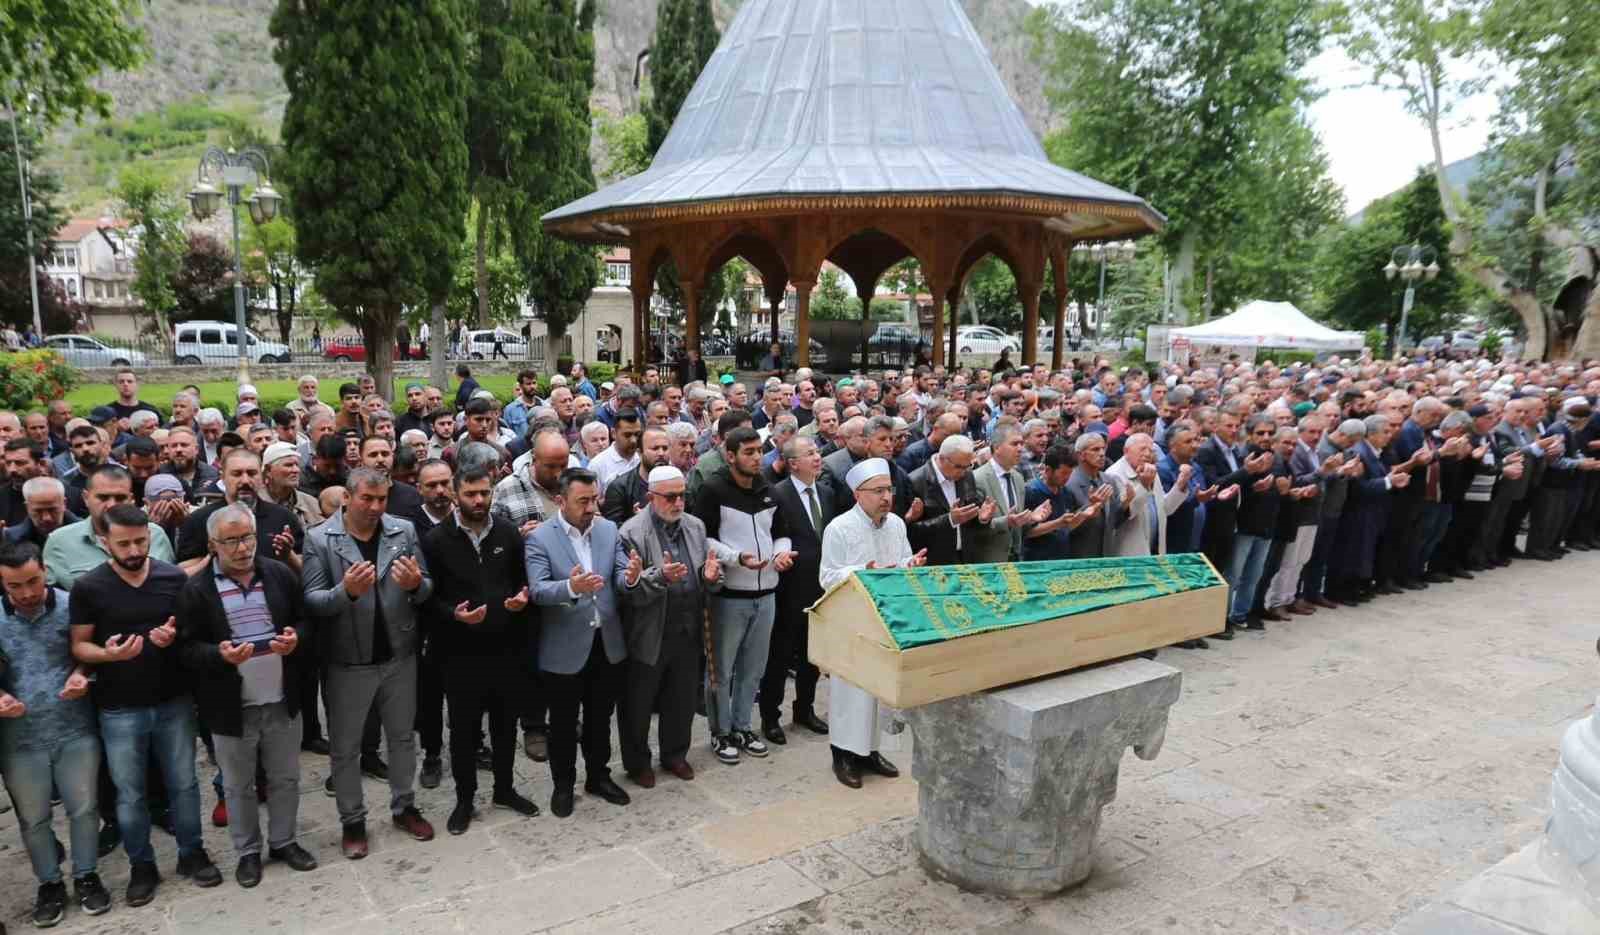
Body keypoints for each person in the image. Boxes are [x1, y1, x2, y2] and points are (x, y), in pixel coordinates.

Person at [69, 505, 223, 903]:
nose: (134, 550)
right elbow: (80, 644)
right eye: (124, 543)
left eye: (141, 541)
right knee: (130, 793)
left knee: (185, 784)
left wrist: (174, 639)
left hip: (173, 699)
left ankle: (192, 852)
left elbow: (190, 631)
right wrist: (108, 655)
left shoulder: (172, 578)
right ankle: (142, 864)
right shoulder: (89, 587)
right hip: (119, 707)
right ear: (105, 543)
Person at [173, 504, 318, 887]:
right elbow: (185, 649)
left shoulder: (279, 574)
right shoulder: (197, 589)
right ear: (213, 545)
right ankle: (247, 852)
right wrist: (218, 655)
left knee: (286, 777)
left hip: (280, 698)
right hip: (231, 706)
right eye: (232, 540)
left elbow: (306, 621)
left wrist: (295, 639)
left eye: (248, 537)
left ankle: (284, 841)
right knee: (238, 786)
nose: (242, 548)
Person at [301, 467, 436, 859]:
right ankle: (352, 820)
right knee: (345, 747)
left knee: (401, 738)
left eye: (382, 500)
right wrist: (347, 592)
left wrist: (415, 585)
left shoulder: (403, 531)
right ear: (347, 496)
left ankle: (404, 805)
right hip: (348, 661)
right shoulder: (319, 539)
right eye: (367, 499)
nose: (376, 507)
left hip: (398, 654)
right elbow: (313, 601)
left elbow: (425, 587)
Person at [418, 465, 540, 835]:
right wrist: (452, 615)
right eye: (471, 493)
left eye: (485, 493)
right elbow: (427, 598)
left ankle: (504, 789)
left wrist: (523, 598)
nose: (479, 500)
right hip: (459, 653)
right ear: (456, 494)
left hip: (505, 647)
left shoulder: (506, 532)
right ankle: (465, 799)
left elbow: (522, 580)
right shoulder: (437, 539)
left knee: (505, 726)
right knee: (465, 732)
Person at [0, 542, 111, 925]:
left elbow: (91, 652)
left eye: (33, 581)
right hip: (18, 738)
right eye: (15, 586)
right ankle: (49, 883)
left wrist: (83, 674)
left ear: (45, 571)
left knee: (84, 809)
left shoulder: (70, 606)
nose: (27, 593)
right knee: (33, 819)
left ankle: (86, 875)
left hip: (75, 727)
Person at [524, 468, 632, 818]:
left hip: (605, 641)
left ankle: (598, 776)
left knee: (601, 718)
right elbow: (538, 590)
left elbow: (618, 574)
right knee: (564, 723)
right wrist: (571, 588)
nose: (591, 507)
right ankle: (563, 786)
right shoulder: (540, 538)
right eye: (582, 501)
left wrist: (629, 577)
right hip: (565, 647)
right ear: (560, 501)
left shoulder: (608, 529)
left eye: (594, 499)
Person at [818, 458, 927, 788]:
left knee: (879, 692)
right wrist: (864, 572)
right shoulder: (839, 527)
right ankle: (844, 755)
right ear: (857, 494)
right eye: (878, 491)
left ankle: (870, 752)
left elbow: (900, 558)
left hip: (886, 617)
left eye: (889, 490)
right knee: (851, 692)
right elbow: (827, 576)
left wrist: (912, 564)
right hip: (851, 620)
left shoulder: (895, 523)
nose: (886, 497)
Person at [617, 466, 728, 787]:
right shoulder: (631, 533)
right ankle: (638, 764)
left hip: (689, 628)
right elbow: (629, 591)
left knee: (680, 700)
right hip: (649, 632)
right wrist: (661, 577)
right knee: (638, 704)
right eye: (670, 497)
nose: (678, 503)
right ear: (651, 498)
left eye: (683, 495)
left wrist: (711, 578)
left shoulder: (694, 526)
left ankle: (675, 755)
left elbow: (710, 574)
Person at [693, 427, 797, 765]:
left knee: (754, 669)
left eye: (758, 451)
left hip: (767, 592)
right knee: (721, 670)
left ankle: (742, 726)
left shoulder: (768, 488)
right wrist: (736, 558)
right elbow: (702, 538)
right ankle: (720, 731)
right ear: (730, 454)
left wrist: (782, 553)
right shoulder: (712, 490)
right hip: (729, 596)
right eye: (749, 452)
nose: (756, 458)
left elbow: (782, 532)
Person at [759, 437, 832, 744]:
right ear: (792, 463)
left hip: (820, 589)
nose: (817, 457)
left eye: (817, 452)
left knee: (811, 657)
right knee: (779, 657)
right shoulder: (776, 495)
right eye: (809, 453)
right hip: (787, 590)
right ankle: (770, 717)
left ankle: (805, 708)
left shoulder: (827, 493)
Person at [44, 466, 176, 588]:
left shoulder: (155, 534)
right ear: (86, 498)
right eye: (103, 498)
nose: (112, 505)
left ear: (131, 499)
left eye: (120, 498)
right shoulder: (59, 542)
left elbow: (169, 584)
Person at [906, 434, 994, 566]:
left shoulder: (967, 475)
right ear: (942, 459)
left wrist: (982, 518)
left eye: (967, 466)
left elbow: (970, 522)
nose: (963, 472)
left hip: (965, 559)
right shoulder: (915, 481)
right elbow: (910, 532)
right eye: (959, 467)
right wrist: (949, 520)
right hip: (933, 563)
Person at [5, 476, 77, 549]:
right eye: (38, 511)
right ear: (27, 507)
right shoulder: (10, 540)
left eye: (52, 510)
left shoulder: (86, 531)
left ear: (64, 504)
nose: (46, 518)